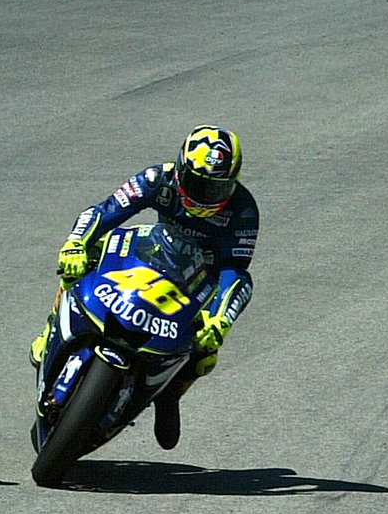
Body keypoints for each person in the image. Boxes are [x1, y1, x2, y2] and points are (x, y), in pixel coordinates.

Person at [30, 125, 258, 451]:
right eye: (197, 185)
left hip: (196, 277)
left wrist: (219, 319)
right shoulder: (157, 179)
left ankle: (170, 394)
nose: (204, 196)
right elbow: (106, 210)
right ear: (181, 170)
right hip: (153, 250)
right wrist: (76, 243)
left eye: (216, 189)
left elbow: (235, 272)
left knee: (206, 352)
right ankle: (53, 324)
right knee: (81, 261)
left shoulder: (243, 211)